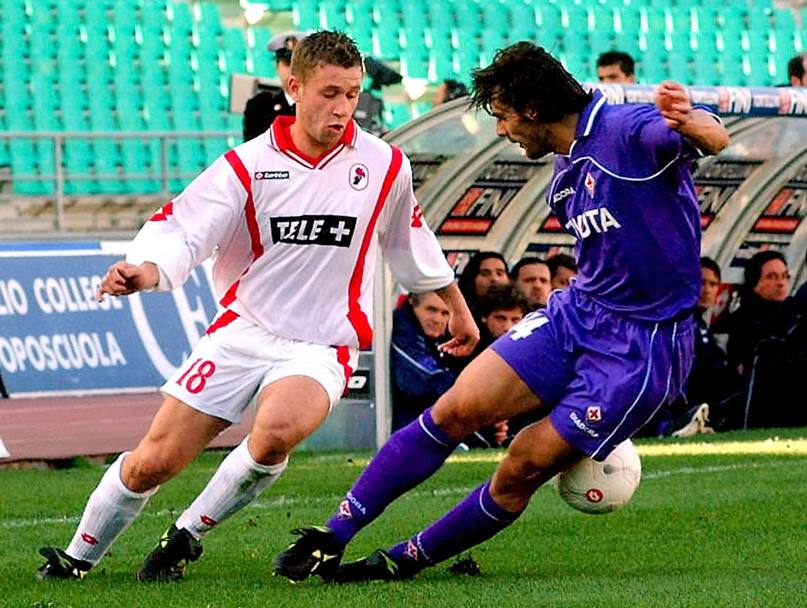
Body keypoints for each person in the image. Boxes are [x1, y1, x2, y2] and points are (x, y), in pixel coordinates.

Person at [272, 41, 729, 582]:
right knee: (454, 410)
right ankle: (333, 534)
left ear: (531, 111)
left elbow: (707, 134)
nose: (501, 130)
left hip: (640, 349)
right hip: (575, 315)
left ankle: (401, 561)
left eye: (504, 116)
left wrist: (694, 122)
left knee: (520, 467)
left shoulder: (626, 129)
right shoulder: (564, 173)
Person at [36, 31, 478, 582]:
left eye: (352, 94)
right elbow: (184, 229)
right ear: (294, 87)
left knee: (274, 434)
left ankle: (185, 535)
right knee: (157, 460)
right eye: (329, 93)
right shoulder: (246, 165)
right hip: (244, 330)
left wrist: (456, 306)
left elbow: (410, 239)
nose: (343, 108)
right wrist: (145, 271)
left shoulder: (384, 165)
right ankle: (79, 558)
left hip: (323, 342)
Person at [390, 292, 458, 431]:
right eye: (431, 310)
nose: (438, 319)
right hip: (407, 428)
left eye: (445, 313)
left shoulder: (443, 337)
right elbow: (427, 380)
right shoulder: (402, 330)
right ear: (412, 304)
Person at [242, 31, 305, 141]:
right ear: (277, 66)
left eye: (297, 63)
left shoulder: (318, 103)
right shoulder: (259, 106)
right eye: (287, 63)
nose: (292, 69)